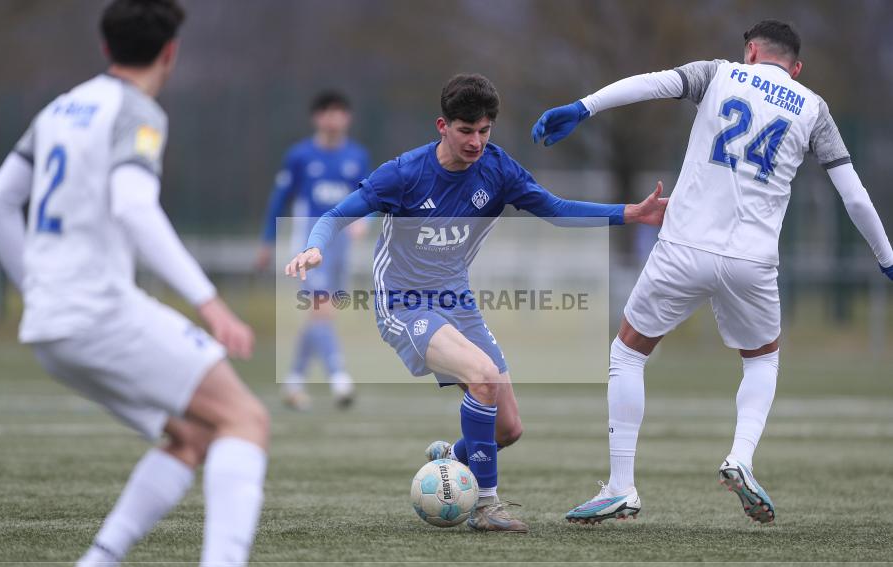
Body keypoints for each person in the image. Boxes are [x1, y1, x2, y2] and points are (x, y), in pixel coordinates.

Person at [532, 19, 893, 525]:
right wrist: (886, 257)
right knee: (762, 361)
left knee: (628, 353)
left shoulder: (718, 73)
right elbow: (854, 196)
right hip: (752, 260)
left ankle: (620, 486)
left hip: (683, 246)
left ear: (752, 51)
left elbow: (651, 83)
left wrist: (583, 107)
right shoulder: (813, 108)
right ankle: (740, 457)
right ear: (796, 67)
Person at [286, 73, 667, 533]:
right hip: (404, 304)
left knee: (507, 428)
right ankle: (486, 506)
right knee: (483, 377)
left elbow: (557, 210)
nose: (476, 142)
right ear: (442, 126)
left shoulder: (498, 171)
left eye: (484, 131)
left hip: (457, 301)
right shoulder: (405, 174)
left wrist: (630, 213)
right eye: (466, 130)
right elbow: (334, 215)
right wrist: (314, 246)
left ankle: (449, 458)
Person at [0, 1, 269, 567]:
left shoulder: (59, 109)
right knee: (245, 418)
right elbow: (135, 207)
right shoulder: (137, 111)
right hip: (100, 313)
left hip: (50, 327)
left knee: (191, 434)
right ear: (170, 52)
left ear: (105, 46)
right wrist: (210, 303)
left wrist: (33, 287)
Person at [256, 91, 369, 410]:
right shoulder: (300, 156)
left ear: (347, 117)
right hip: (310, 244)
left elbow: (371, 196)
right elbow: (279, 200)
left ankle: (294, 381)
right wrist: (267, 240)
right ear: (316, 117)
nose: (333, 119)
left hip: (342, 246)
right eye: (326, 112)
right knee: (321, 308)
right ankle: (339, 378)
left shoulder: (357, 156)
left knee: (319, 315)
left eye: (339, 112)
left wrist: (365, 220)